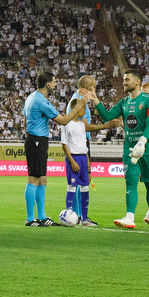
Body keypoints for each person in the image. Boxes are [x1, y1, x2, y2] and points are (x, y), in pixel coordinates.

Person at [93, 71, 149, 230]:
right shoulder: (123, 102)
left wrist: (142, 142)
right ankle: (129, 217)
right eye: (124, 80)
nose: (124, 83)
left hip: (148, 149)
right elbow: (107, 116)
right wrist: (95, 99)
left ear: (137, 82)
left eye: (127, 80)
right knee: (130, 181)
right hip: (130, 150)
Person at [22, 72, 87, 227]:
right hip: (37, 140)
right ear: (48, 84)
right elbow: (64, 121)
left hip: (37, 140)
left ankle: (42, 216)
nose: (56, 84)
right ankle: (30, 219)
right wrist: (78, 105)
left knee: (42, 178)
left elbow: (27, 119)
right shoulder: (41, 101)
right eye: (54, 82)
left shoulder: (31, 97)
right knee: (34, 178)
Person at [59, 79, 92, 226]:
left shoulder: (81, 126)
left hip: (83, 158)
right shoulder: (66, 125)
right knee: (72, 186)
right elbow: (64, 145)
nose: (85, 111)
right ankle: (69, 216)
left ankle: (84, 219)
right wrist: (72, 161)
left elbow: (84, 145)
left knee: (85, 186)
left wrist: (88, 161)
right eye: (83, 108)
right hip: (73, 158)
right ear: (77, 109)